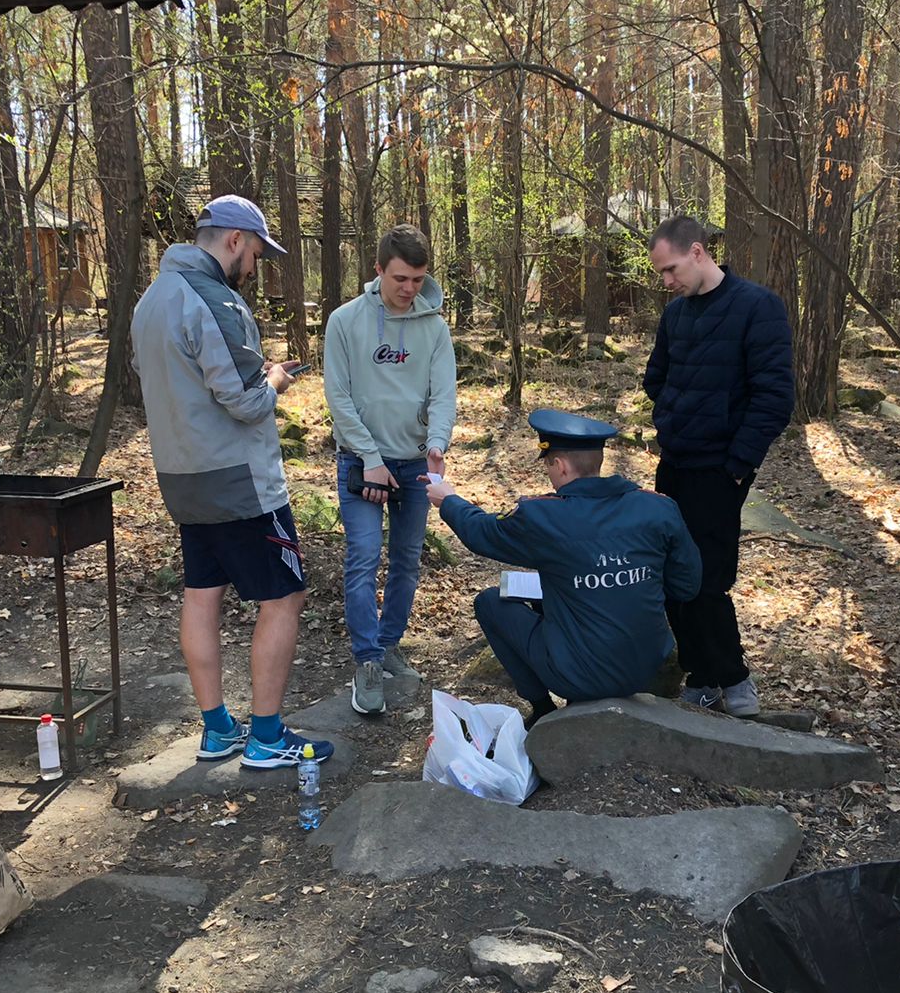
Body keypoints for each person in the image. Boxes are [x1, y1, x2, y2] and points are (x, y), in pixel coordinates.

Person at [130, 195, 332, 770]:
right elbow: (245, 401)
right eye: (257, 255)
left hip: (181, 476)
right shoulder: (214, 299)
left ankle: (217, 729)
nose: (255, 268)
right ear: (235, 240)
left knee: (203, 592)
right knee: (285, 595)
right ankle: (266, 736)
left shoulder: (152, 299)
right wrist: (273, 380)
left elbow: (156, 377)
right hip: (239, 482)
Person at [425, 409, 701, 727]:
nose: (549, 475)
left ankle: (543, 709)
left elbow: (483, 533)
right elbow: (687, 586)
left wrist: (448, 499)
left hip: (581, 677)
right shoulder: (658, 507)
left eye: (548, 465)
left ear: (561, 465)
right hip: (648, 665)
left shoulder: (545, 516)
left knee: (490, 602)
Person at [644, 215, 794, 717]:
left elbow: (774, 399)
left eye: (669, 270)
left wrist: (737, 465)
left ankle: (735, 681)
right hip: (675, 463)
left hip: (720, 468)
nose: (666, 282)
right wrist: (670, 417)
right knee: (670, 573)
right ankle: (701, 676)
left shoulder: (758, 308)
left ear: (697, 253)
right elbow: (656, 378)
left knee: (707, 579)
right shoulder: (676, 316)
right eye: (660, 274)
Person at [324, 223, 456, 716]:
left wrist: (438, 443)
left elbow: (443, 393)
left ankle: (389, 643)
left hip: (414, 461)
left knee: (406, 557)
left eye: (418, 279)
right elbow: (339, 398)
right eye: (400, 278)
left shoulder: (434, 327)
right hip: (361, 461)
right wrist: (372, 461)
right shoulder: (345, 322)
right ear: (378, 270)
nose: (409, 289)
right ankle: (366, 661)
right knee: (363, 557)